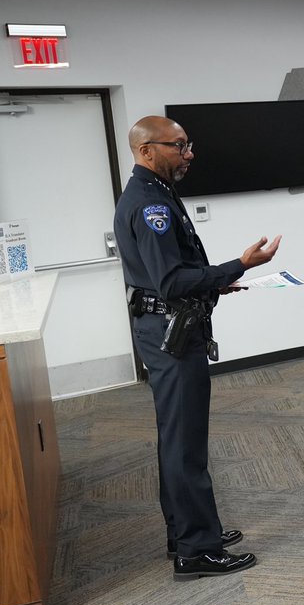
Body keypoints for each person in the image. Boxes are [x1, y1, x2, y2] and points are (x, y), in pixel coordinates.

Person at [114, 115, 280, 580]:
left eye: (189, 145)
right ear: (147, 150)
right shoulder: (150, 205)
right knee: (185, 445)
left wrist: (216, 284)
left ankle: (187, 530)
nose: (189, 155)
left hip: (169, 327)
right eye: (178, 146)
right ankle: (196, 551)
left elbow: (173, 273)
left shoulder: (159, 194)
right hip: (171, 335)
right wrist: (237, 266)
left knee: (178, 438)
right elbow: (170, 281)